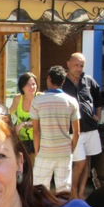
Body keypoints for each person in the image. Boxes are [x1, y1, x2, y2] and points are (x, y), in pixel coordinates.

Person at [30, 65, 80, 194]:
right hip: (64, 151)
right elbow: (76, 132)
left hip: (45, 151)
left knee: (39, 190)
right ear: (63, 81)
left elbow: (36, 131)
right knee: (64, 191)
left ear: (48, 79)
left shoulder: (37, 101)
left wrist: (37, 151)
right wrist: (70, 150)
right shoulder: (72, 101)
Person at [62, 52, 102, 199]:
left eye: (81, 66)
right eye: (76, 65)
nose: (79, 68)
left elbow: (99, 98)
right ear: (68, 64)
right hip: (73, 129)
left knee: (87, 161)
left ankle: (81, 193)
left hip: (90, 127)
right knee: (79, 162)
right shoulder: (62, 82)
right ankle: (73, 194)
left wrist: (98, 114)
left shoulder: (88, 80)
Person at [8, 72, 40, 158]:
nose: (31, 87)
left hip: (38, 138)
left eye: (33, 84)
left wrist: (24, 123)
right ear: (22, 87)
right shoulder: (17, 98)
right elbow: (9, 114)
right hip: (22, 138)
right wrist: (12, 128)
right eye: (27, 84)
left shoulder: (41, 98)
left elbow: (43, 120)